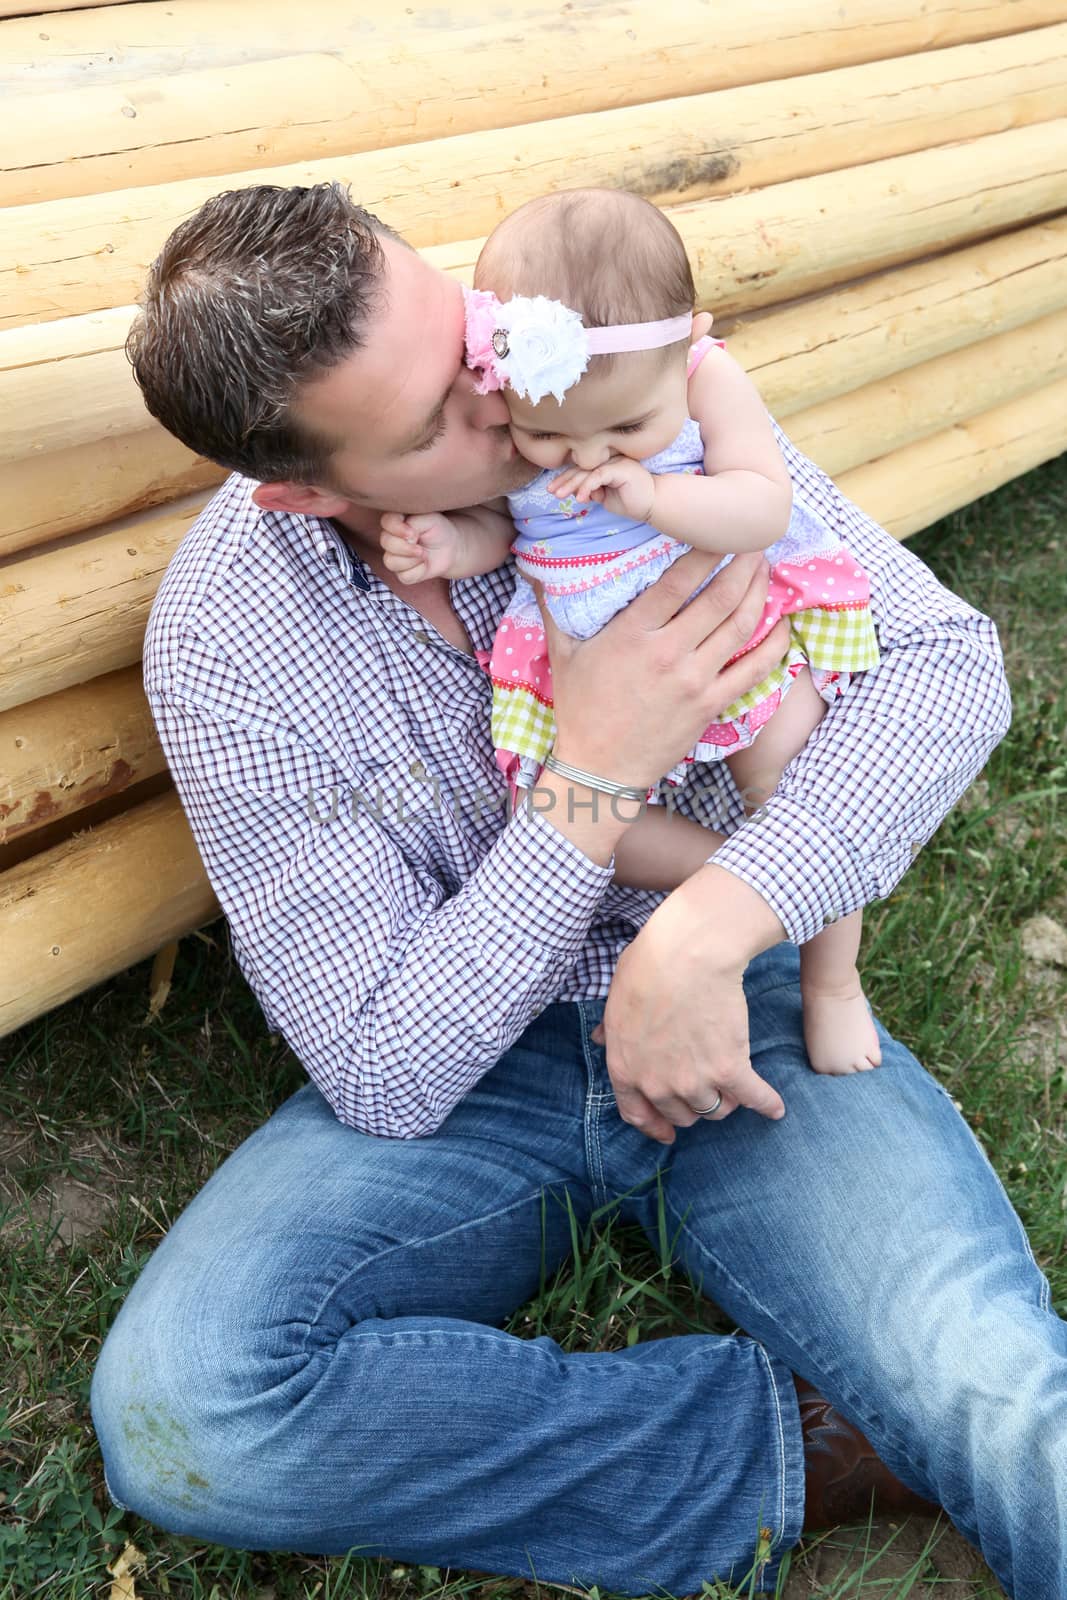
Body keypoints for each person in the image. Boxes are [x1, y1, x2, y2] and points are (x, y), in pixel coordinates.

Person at [87, 183, 1067, 1600]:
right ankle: (810, 1445)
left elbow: (938, 669)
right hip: (479, 1060)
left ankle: (930, 1413)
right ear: (305, 488)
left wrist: (709, 928)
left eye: (476, 346)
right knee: (191, 1413)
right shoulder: (228, 644)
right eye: (433, 423)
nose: (510, 409)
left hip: (746, 1011)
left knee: (995, 1391)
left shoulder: (616, 395)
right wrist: (589, 782)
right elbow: (381, 1067)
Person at [379, 187, 884, 1076]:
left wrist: (656, 495)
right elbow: (515, 533)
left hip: (727, 633)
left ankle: (830, 983)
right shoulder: (532, 424)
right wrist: (452, 543)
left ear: (690, 337)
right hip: (576, 662)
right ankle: (740, 882)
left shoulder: (703, 379)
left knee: (796, 783)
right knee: (567, 815)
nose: (584, 456)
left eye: (625, 429)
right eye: (546, 436)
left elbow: (762, 505)